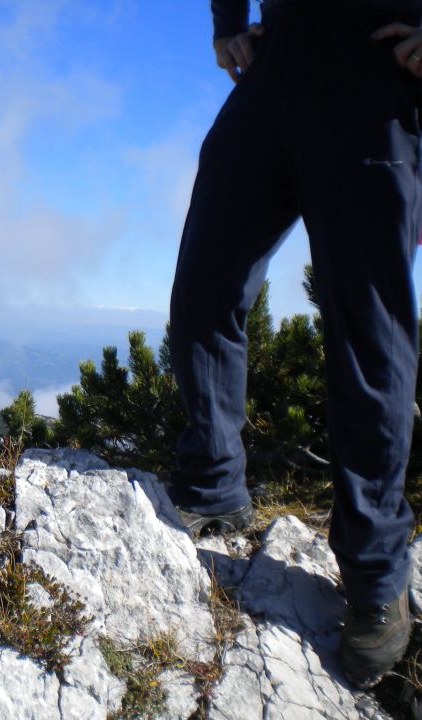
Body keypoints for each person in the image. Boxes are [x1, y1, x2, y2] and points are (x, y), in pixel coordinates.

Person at [168, 0, 422, 688]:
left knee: (367, 327)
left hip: (375, 48)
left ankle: (375, 576)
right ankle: (214, 484)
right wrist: (226, 24)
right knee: (203, 286)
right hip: (278, 50)